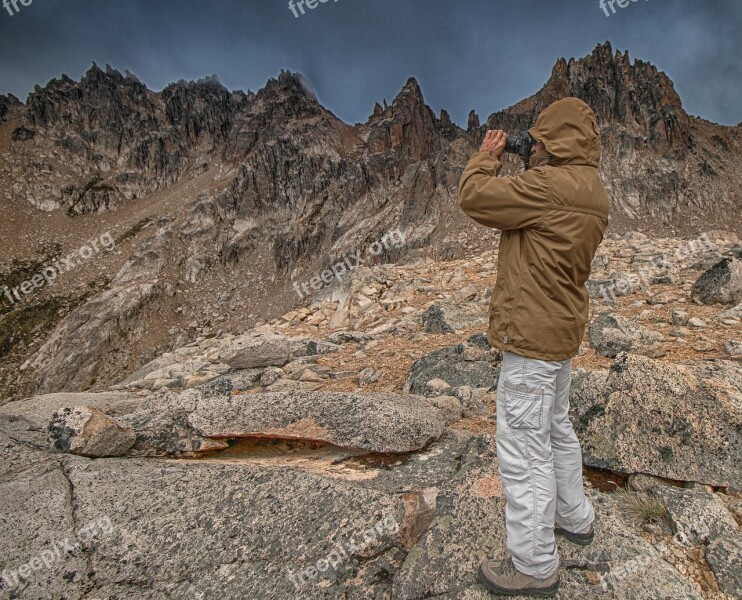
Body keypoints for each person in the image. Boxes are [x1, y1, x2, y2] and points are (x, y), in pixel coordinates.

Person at [457, 97, 610, 597]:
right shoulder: (593, 192)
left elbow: (475, 198)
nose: (536, 147)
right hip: (562, 334)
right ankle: (576, 518)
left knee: (524, 449)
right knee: (557, 428)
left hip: (531, 340)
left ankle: (535, 564)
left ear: (558, 142)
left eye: (541, 139)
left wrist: (489, 155)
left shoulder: (543, 187)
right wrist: (538, 158)